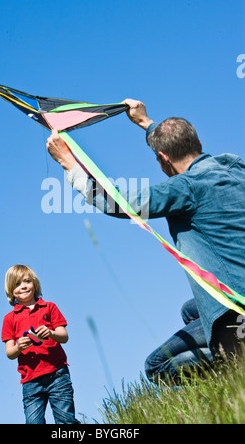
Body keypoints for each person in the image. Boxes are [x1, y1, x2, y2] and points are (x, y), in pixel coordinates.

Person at [46, 99, 245, 384]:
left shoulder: (186, 188)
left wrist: (70, 166)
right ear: (198, 143)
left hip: (236, 308)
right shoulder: (235, 166)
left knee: (157, 365)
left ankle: (233, 367)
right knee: (190, 310)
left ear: (163, 159)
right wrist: (146, 122)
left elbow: (121, 203)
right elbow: (177, 144)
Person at [1, 264, 80, 424]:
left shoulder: (49, 307)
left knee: (66, 420)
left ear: (35, 284)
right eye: (17, 284)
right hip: (31, 382)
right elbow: (10, 353)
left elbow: (64, 336)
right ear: (11, 290)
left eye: (27, 281)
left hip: (57, 374)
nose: (23, 286)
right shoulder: (9, 319)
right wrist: (19, 347)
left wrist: (51, 333)